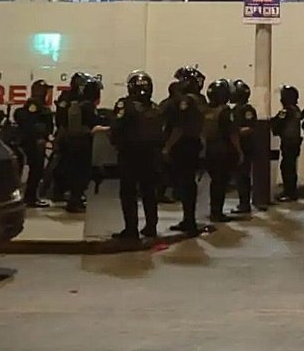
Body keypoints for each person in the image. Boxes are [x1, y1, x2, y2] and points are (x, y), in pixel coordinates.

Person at [110, 71, 162, 239]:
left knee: (128, 193)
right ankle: (151, 226)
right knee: (149, 192)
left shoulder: (125, 105)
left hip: (129, 154)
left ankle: (131, 229)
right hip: (151, 155)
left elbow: (116, 128)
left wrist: (117, 144)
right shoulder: (155, 107)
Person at [163, 67, 206, 235]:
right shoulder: (200, 99)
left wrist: (167, 147)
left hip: (184, 146)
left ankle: (189, 221)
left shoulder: (187, 101)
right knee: (188, 183)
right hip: (194, 144)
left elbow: (179, 127)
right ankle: (189, 219)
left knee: (185, 183)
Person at [58, 75, 104, 214]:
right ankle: (75, 201)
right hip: (82, 144)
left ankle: (74, 199)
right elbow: (93, 122)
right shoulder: (87, 106)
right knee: (81, 174)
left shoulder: (78, 104)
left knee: (75, 173)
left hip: (74, 142)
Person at [201, 79, 242, 225]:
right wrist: (239, 151)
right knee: (221, 183)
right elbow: (232, 133)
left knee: (215, 182)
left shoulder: (206, 111)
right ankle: (217, 212)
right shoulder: (225, 111)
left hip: (209, 150)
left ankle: (214, 210)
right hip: (223, 150)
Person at [13, 79, 54, 208]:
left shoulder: (38, 107)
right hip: (34, 143)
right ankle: (30, 197)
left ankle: (30, 196)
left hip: (32, 142)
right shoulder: (36, 107)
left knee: (36, 171)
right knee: (36, 171)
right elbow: (31, 125)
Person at [229, 79, 258, 215]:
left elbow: (250, 127)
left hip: (245, 146)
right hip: (237, 146)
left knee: (243, 176)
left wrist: (236, 132)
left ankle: (244, 204)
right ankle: (242, 202)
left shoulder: (247, 110)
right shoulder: (235, 109)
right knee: (239, 176)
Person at [271, 85, 303, 202]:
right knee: (290, 167)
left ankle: (289, 192)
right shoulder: (296, 110)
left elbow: (276, 124)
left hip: (289, 142)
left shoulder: (287, 111)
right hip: (294, 142)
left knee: (287, 167)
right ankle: (291, 191)